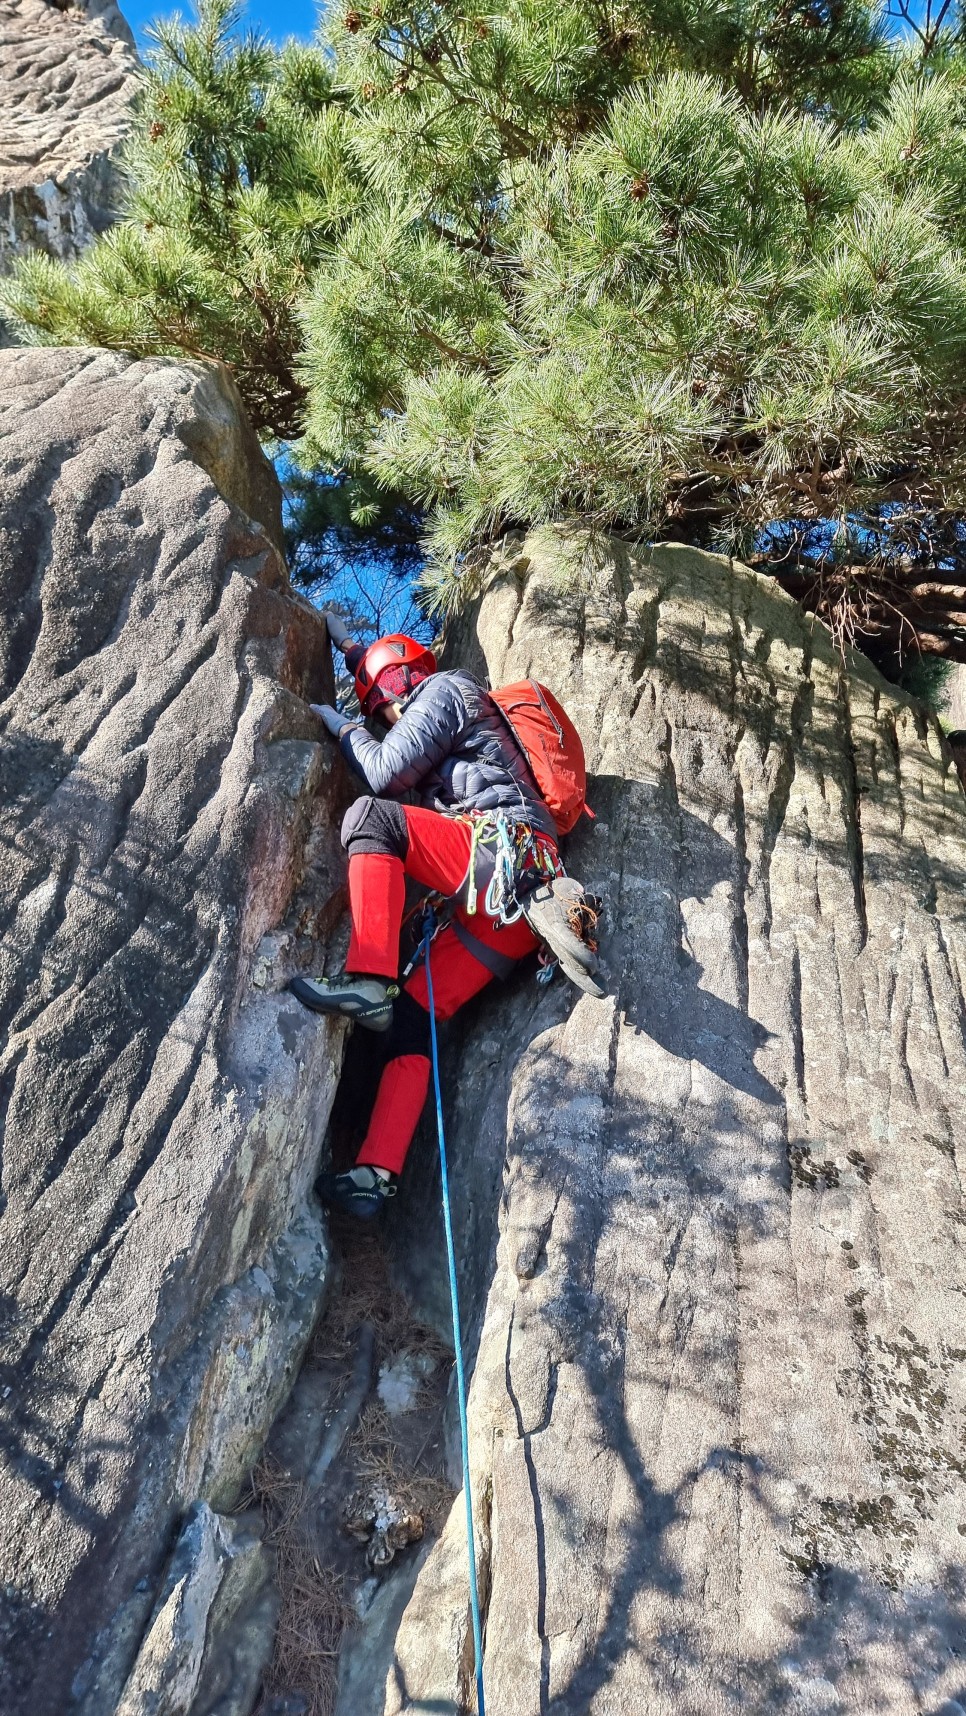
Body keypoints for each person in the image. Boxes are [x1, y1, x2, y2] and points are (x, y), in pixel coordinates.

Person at [288, 614, 599, 1219]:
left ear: (405, 679)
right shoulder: (430, 702)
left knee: (370, 820)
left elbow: (381, 771)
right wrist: (345, 644)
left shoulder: (445, 690)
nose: (383, 714)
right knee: (415, 1011)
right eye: (376, 708)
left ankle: (368, 978)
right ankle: (376, 1174)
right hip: (512, 910)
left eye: (382, 699)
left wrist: (345, 727)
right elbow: (378, 676)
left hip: (500, 856)